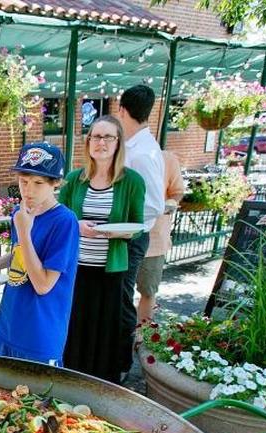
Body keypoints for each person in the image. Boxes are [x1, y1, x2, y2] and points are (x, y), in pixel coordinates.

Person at [0, 143, 79, 366]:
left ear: (56, 183)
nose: (28, 190)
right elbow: (20, 256)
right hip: (9, 324)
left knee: (35, 400)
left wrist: (24, 232)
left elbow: (43, 285)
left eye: (38, 183)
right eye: (23, 181)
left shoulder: (65, 221)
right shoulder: (22, 212)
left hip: (40, 333)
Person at [58, 116, 146, 382]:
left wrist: (115, 230)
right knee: (76, 324)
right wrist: (76, 224)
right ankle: (72, 375)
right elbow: (60, 218)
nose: (101, 142)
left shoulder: (132, 181)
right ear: (88, 142)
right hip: (78, 267)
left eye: (108, 137)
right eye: (96, 136)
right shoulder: (74, 180)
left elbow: (137, 225)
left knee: (105, 326)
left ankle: (102, 381)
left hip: (110, 268)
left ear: (118, 143)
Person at [117, 84, 165, 378]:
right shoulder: (140, 146)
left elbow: (154, 204)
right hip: (125, 235)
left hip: (129, 238)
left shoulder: (142, 153)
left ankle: (121, 364)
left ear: (122, 111)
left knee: (121, 300)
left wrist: (121, 226)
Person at [137, 149, 185, 326]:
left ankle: (142, 336)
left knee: (148, 290)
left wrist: (170, 204)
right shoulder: (116, 156)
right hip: (117, 239)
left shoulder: (166, 159)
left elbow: (177, 191)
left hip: (153, 239)